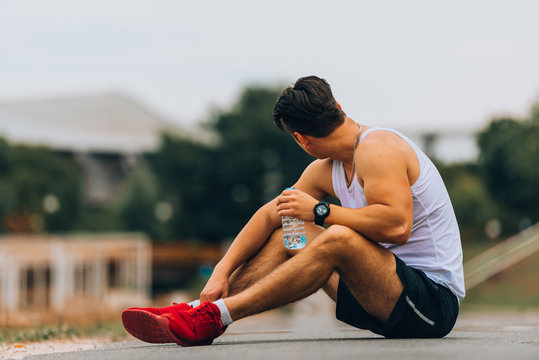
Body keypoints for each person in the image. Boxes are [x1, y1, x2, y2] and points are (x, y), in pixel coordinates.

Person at [122, 75, 465, 345]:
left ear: (301, 139)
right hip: (380, 296)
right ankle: (200, 311)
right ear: (338, 107)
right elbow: (271, 214)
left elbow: (396, 226)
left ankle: (219, 315)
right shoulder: (327, 168)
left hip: (431, 305)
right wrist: (221, 270)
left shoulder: (378, 149)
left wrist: (320, 212)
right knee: (290, 231)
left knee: (339, 238)